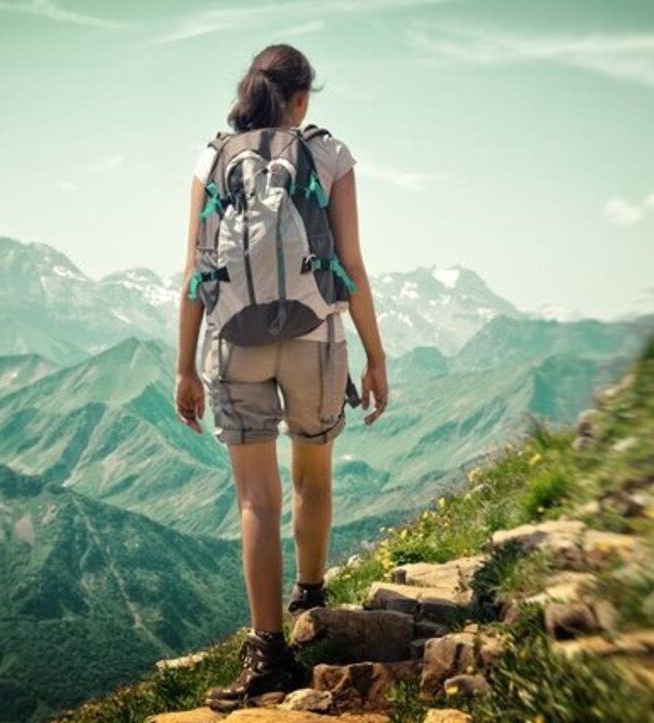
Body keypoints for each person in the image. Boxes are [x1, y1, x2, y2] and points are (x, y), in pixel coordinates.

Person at [173, 44, 389, 708]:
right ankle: (312, 596)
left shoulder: (211, 159)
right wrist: (375, 355)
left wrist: (185, 367)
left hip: (232, 342)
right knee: (312, 476)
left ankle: (268, 651)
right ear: (300, 100)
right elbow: (350, 263)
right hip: (314, 338)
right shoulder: (328, 155)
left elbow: (193, 272)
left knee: (256, 502)